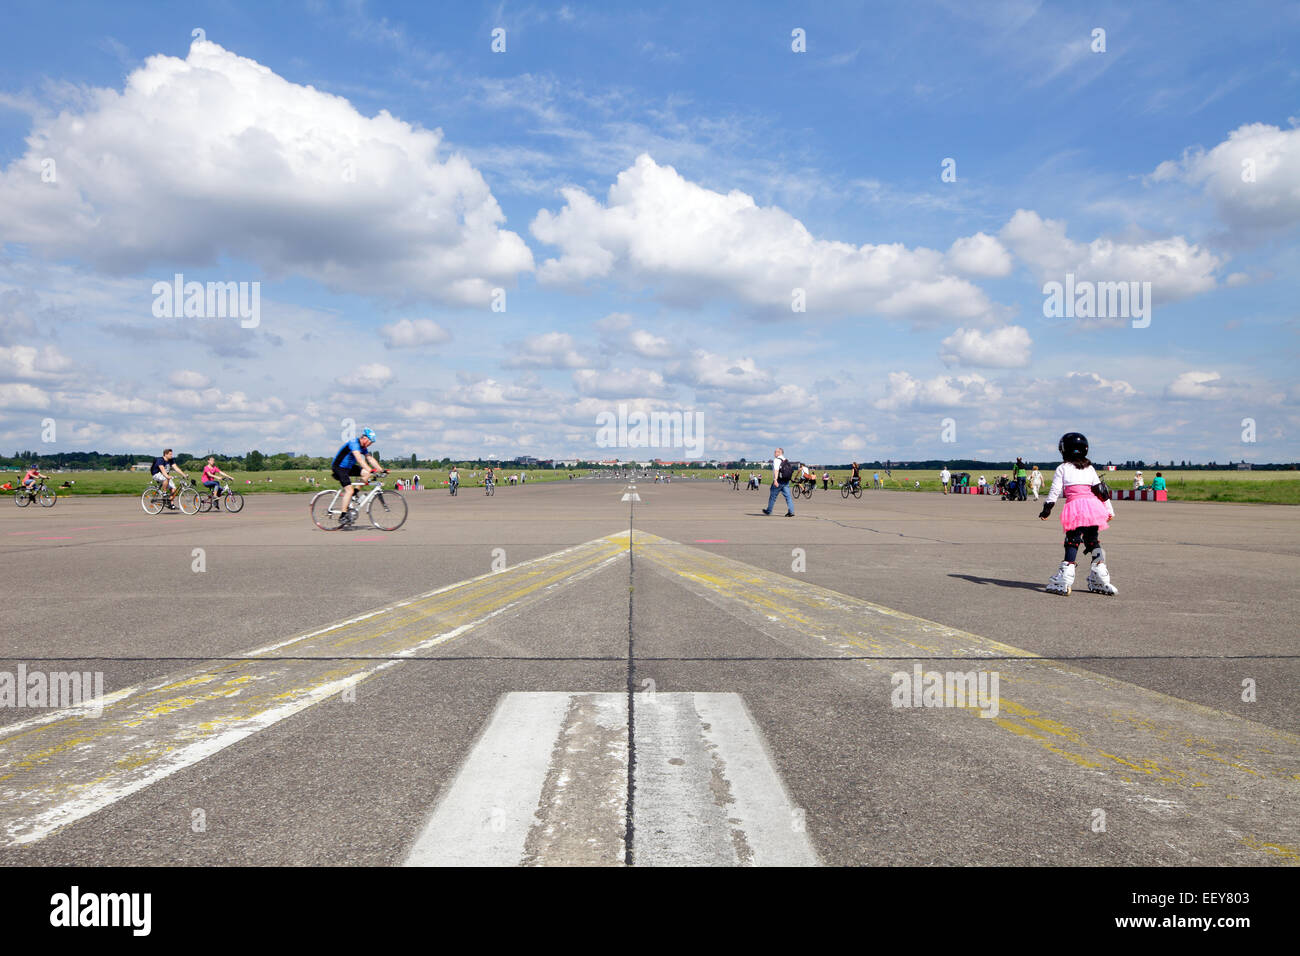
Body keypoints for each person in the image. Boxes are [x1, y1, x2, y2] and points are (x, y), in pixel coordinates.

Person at [1040, 432, 1118, 596]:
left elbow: (1055, 491)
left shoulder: (1062, 468)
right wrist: (1109, 510)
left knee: (1072, 540)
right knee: (1092, 541)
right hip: (1093, 507)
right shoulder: (1089, 468)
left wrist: (1047, 509)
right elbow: (1100, 491)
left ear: (1063, 449)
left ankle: (1066, 577)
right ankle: (1101, 575)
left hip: (1075, 507)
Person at [330, 429, 383, 525]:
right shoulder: (354, 443)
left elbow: (370, 458)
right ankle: (342, 516)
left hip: (349, 467)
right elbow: (359, 459)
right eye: (370, 442)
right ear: (364, 438)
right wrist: (370, 469)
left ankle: (355, 493)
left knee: (366, 474)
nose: (370, 444)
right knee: (348, 490)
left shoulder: (363, 447)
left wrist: (381, 470)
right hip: (339, 467)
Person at [762, 447, 795, 517]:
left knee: (773, 496)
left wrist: (775, 480)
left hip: (779, 481)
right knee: (788, 497)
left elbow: (776, 470)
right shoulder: (785, 460)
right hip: (786, 481)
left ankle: (769, 510)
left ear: (779, 452)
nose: (774, 453)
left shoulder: (776, 460)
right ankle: (791, 511)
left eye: (775, 452)